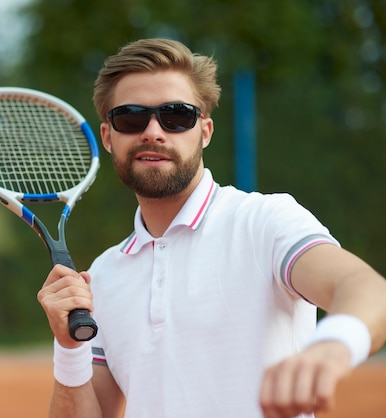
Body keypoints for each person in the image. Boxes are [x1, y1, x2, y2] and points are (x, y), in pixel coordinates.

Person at [37, 38, 386, 418]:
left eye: (177, 116)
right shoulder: (102, 276)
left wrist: (333, 344)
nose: (153, 132)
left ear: (204, 131)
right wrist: (69, 350)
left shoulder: (265, 222)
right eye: (131, 117)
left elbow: (368, 290)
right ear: (108, 136)